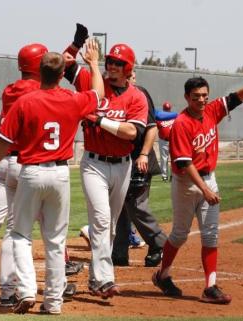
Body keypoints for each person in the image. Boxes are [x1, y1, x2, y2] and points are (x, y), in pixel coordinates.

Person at [0, 41, 104, 315]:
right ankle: (54, 302)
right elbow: (98, 93)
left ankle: (27, 291)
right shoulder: (72, 99)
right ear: (61, 76)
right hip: (60, 173)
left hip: (30, 172)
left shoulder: (24, 101)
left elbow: (2, 142)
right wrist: (93, 63)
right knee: (56, 241)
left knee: (20, 234)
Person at [151, 76, 243, 305]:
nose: (201, 100)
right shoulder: (181, 122)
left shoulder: (211, 111)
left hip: (209, 178)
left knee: (211, 235)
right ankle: (163, 275)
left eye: (204, 95)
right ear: (186, 98)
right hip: (186, 183)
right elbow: (184, 163)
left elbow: (234, 99)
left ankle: (210, 287)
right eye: (196, 96)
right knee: (180, 234)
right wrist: (205, 190)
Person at [64, 33, 148, 299]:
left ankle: (94, 279)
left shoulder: (137, 97)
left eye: (118, 63)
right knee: (100, 220)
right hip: (94, 164)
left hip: (122, 166)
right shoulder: (92, 80)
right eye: (110, 61)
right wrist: (80, 50)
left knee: (109, 226)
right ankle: (105, 279)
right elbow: (63, 63)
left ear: (129, 69)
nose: (111, 66)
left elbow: (131, 133)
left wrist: (98, 121)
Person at [111, 71, 169, 268]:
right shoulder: (111, 95)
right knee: (119, 208)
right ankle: (119, 252)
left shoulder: (140, 94)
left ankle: (159, 243)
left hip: (139, 160)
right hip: (120, 159)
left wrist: (143, 154)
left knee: (136, 204)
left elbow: (152, 127)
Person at [157, 101, 173, 182]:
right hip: (163, 141)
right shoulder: (160, 118)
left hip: (173, 141)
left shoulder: (173, 117)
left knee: (174, 158)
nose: (167, 111)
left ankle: (173, 175)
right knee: (164, 159)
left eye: (168, 109)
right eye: (166, 110)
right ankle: (164, 176)